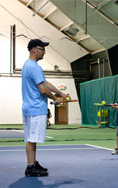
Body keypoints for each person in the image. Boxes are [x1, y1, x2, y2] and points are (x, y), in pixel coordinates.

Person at [22, 39, 69, 176]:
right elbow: (43, 89)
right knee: (32, 139)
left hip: (30, 108)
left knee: (33, 138)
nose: (44, 51)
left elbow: (45, 82)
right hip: (36, 109)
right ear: (33, 49)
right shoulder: (34, 67)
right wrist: (55, 99)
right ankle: (30, 167)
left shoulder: (28, 65)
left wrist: (61, 93)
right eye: (41, 48)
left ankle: (33, 163)